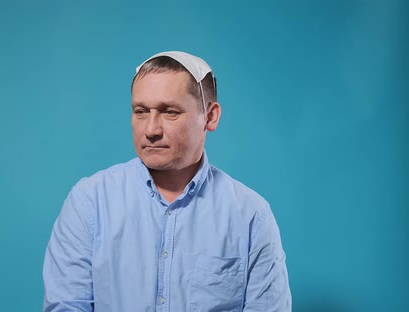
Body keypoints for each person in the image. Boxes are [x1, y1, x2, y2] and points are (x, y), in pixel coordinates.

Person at [43, 51, 291, 311]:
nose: (150, 130)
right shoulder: (89, 202)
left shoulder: (250, 216)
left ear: (210, 117)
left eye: (169, 112)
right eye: (140, 111)